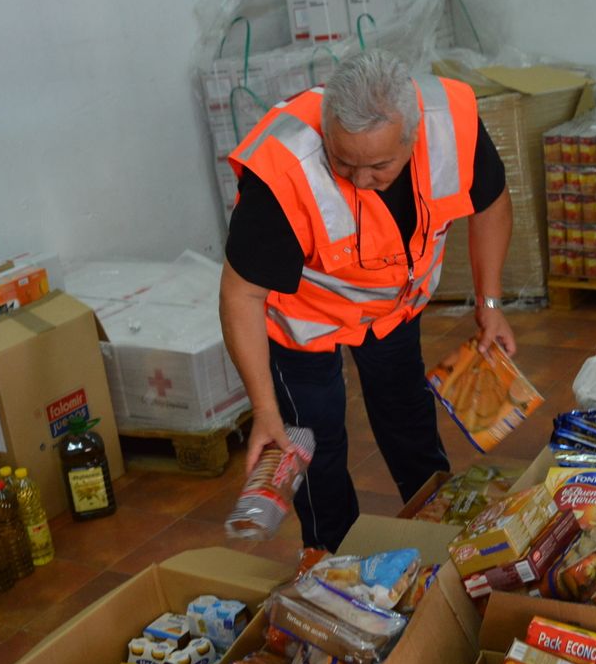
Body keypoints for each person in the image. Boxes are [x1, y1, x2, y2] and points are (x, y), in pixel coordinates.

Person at [219, 49, 515, 551]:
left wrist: (489, 305)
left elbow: (490, 202)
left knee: (408, 419)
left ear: (412, 137)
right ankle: (333, 564)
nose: (359, 180)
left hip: (393, 307)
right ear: (327, 129)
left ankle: (439, 535)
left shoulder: (450, 124)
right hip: (303, 324)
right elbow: (240, 293)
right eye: (342, 161)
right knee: (315, 445)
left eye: (380, 166)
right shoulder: (282, 167)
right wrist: (265, 409)